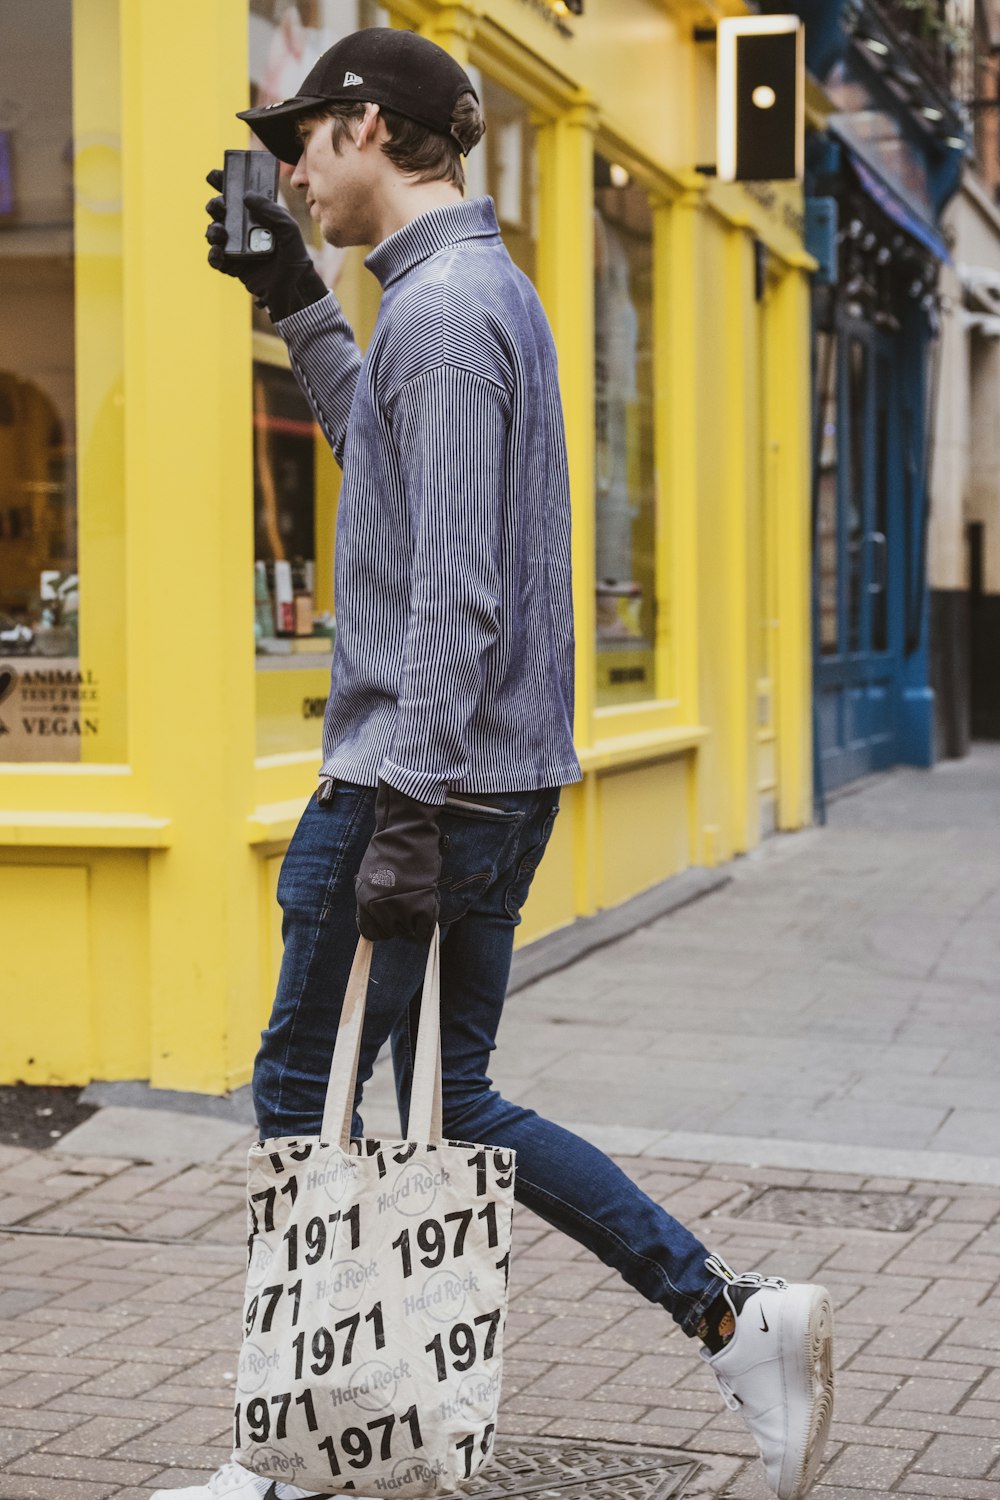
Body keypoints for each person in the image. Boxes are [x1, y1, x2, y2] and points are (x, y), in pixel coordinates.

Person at [159, 28, 834, 1500]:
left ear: (366, 126)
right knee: (453, 1103)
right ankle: (732, 1317)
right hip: (484, 779)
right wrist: (295, 302)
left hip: (423, 783)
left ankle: (277, 1459)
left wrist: (400, 814)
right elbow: (394, 488)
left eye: (298, 142)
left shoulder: (449, 310)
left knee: (301, 1099)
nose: (287, 172)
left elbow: (457, 593)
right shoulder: (457, 296)